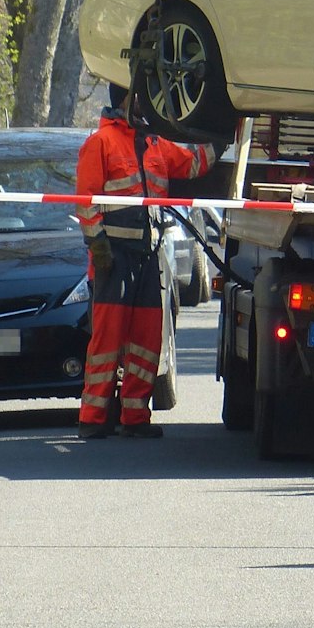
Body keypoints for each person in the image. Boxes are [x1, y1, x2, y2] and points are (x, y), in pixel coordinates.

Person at [74, 92, 219, 439]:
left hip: (149, 254)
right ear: (125, 99)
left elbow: (194, 162)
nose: (147, 103)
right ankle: (93, 418)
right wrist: (99, 247)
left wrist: (224, 134)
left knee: (146, 339)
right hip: (114, 258)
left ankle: (135, 417)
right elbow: (86, 201)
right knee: (107, 340)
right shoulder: (100, 143)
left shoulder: (156, 143)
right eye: (140, 97)